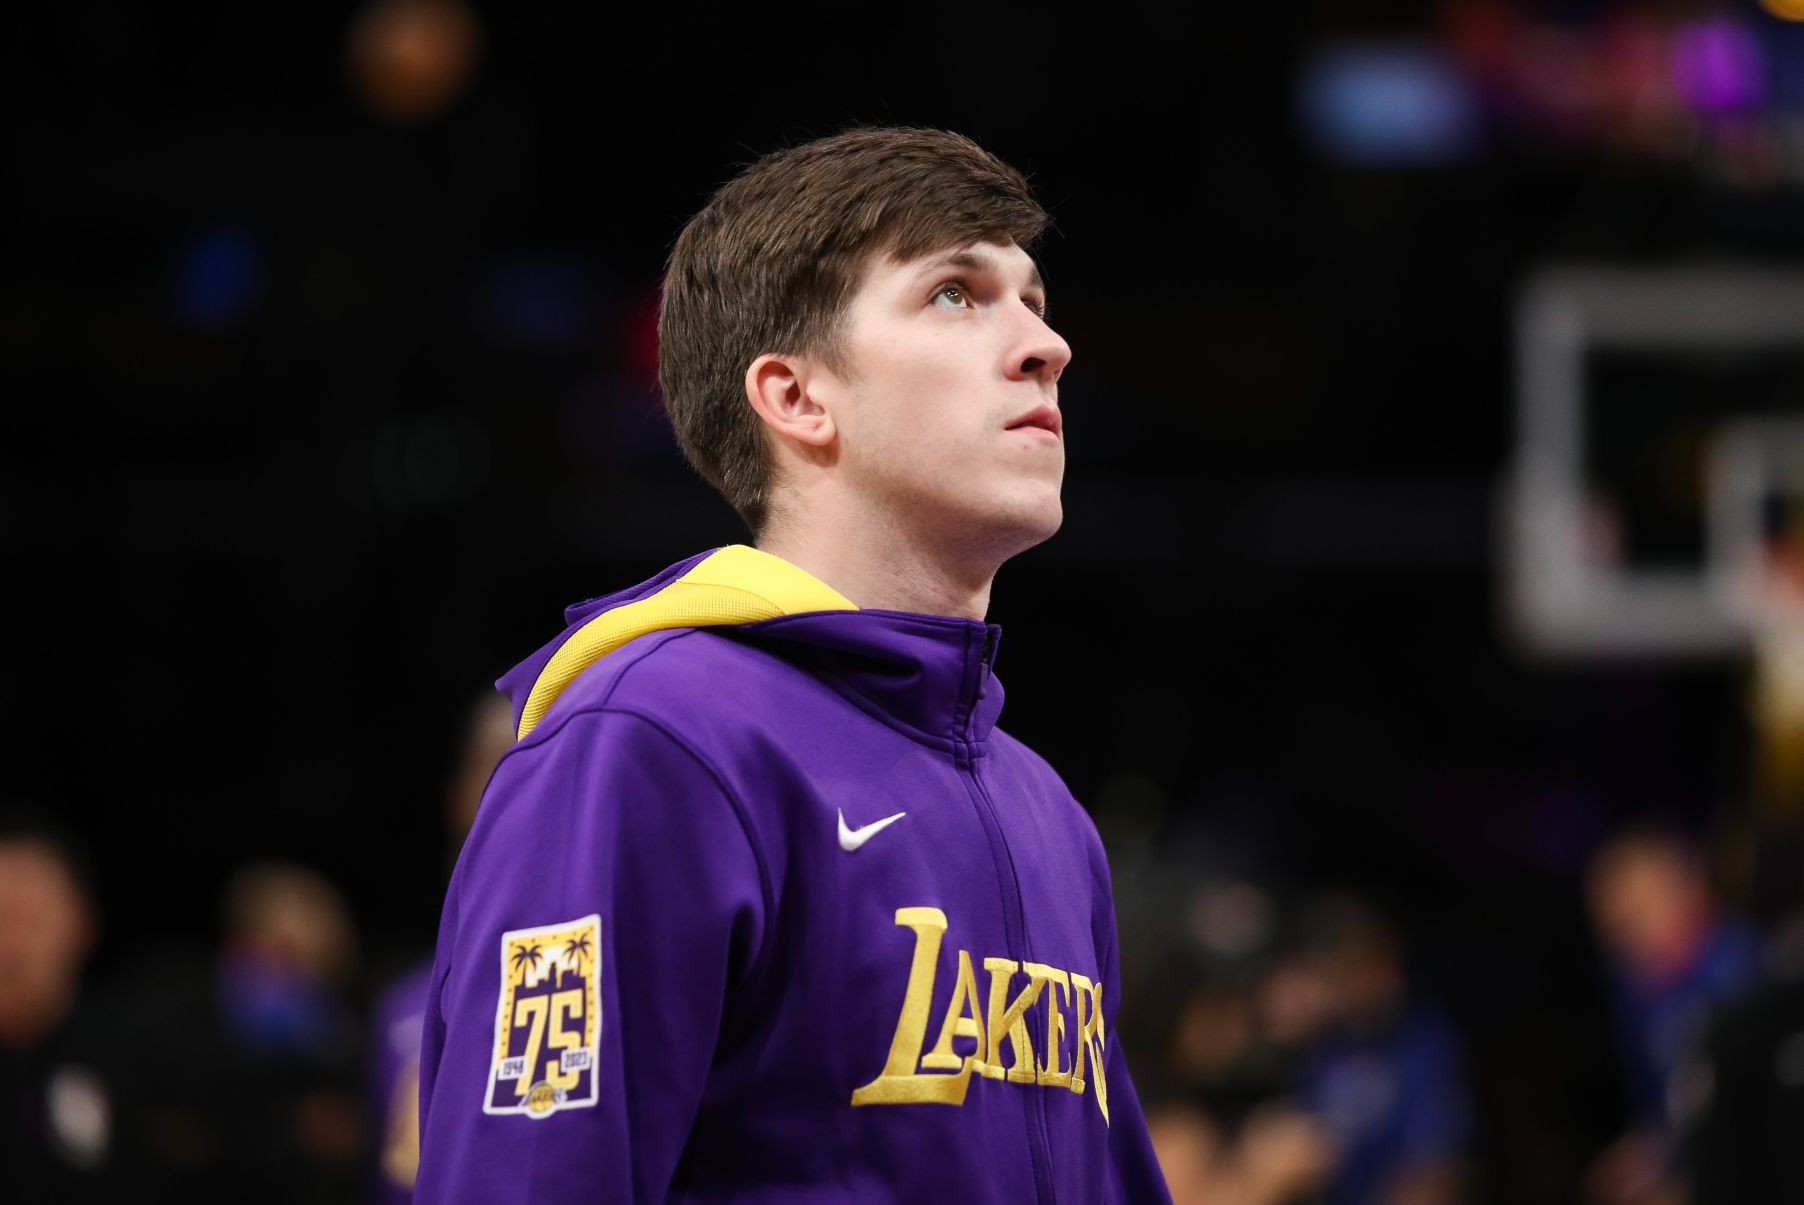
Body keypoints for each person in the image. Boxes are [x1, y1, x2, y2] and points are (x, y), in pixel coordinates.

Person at [414, 125, 1172, 1203]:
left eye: (1033, 300)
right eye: (955, 294)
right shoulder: (647, 741)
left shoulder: (1049, 814)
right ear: (796, 397)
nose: (1044, 344)